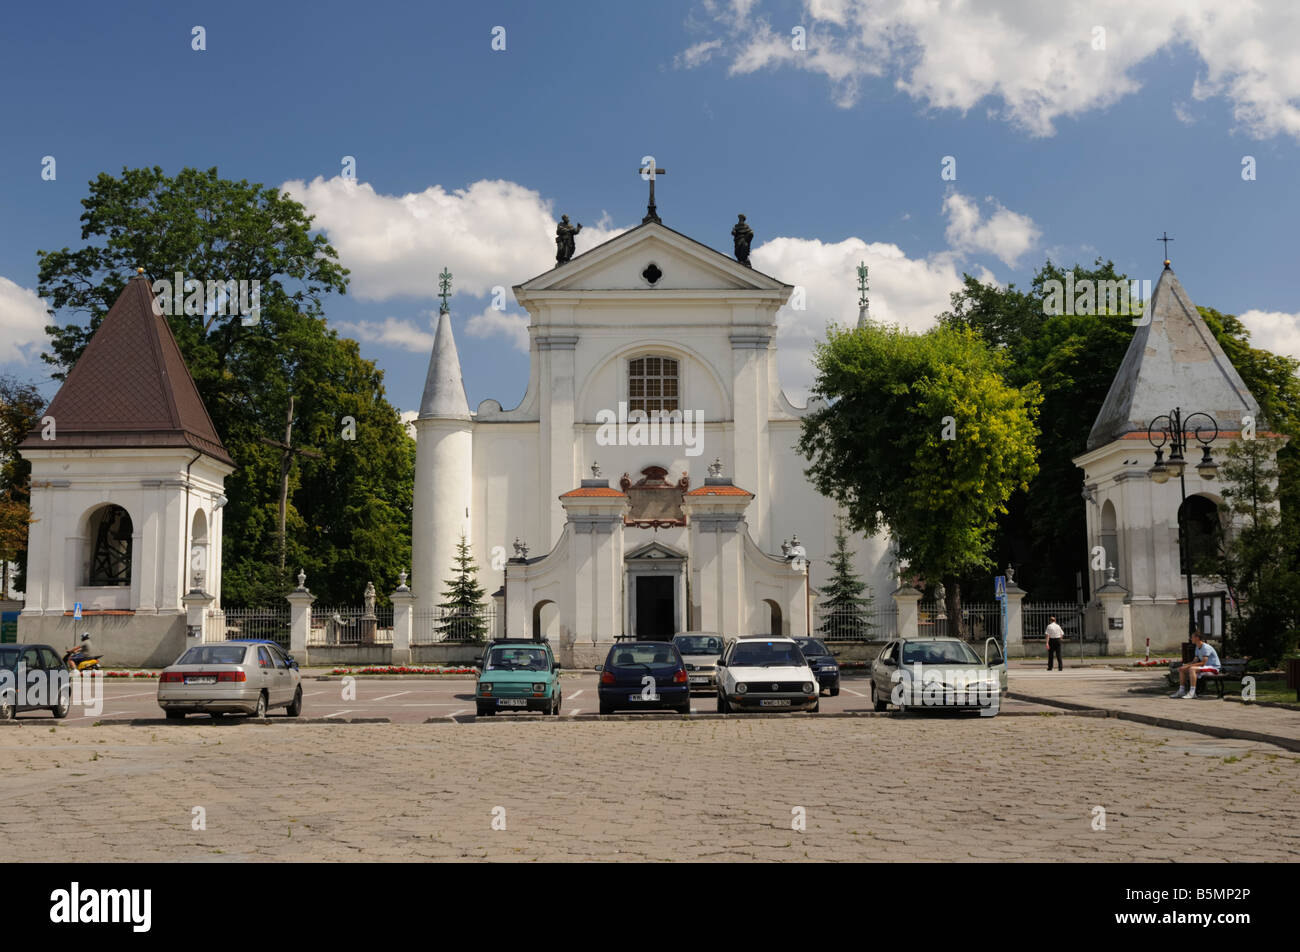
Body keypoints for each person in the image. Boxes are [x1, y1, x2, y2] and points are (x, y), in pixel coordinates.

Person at [1171, 630, 1220, 699]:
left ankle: (1192, 693)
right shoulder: (1197, 647)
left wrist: (1189, 666)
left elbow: (1203, 663)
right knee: (1182, 669)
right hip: (1205, 668)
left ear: (1197, 638)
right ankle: (1181, 691)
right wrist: (1185, 665)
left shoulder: (1206, 647)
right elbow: (1194, 661)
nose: (1191, 639)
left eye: (1192, 637)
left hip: (1213, 669)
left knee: (1192, 669)